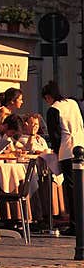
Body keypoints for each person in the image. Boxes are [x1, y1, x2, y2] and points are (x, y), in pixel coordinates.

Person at [42, 80, 84, 236]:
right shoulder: (72, 103)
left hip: (67, 150)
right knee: (81, 187)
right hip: (81, 145)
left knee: (71, 188)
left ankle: (75, 225)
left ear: (48, 97)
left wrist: (55, 149)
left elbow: (54, 135)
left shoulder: (53, 109)